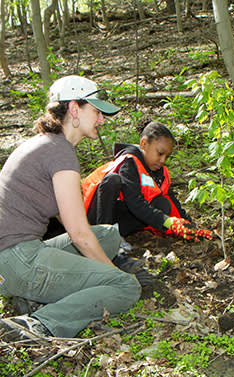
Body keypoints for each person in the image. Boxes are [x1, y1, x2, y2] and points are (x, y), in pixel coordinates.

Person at [0, 75, 148, 342]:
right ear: (74, 109)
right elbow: (79, 235)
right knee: (125, 286)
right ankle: (38, 324)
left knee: (107, 235)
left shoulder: (46, 145)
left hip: (14, 256)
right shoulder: (60, 153)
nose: (102, 120)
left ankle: (34, 297)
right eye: (96, 111)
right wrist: (111, 275)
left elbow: (70, 219)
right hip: (17, 262)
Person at [81, 120, 213, 250]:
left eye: (167, 156)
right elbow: (135, 202)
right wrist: (166, 221)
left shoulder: (160, 173)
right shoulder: (129, 163)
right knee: (113, 180)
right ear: (144, 144)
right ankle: (104, 238)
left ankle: (118, 234)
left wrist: (189, 226)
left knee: (163, 203)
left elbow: (173, 202)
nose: (163, 160)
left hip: (123, 216)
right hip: (96, 213)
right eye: (160, 153)